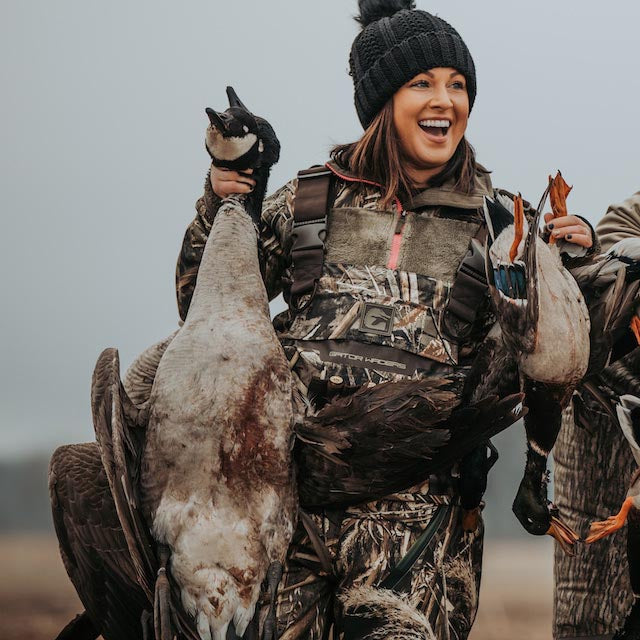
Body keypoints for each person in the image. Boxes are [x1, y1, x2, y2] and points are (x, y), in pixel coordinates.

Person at [175, 1, 595, 637]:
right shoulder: (308, 200)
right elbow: (200, 311)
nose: (445, 100)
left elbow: (560, 359)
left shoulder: (503, 225)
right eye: (422, 82)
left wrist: (576, 260)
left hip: (419, 525)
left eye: (458, 85)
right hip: (284, 509)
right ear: (381, 101)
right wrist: (224, 200)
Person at [554, 191, 640, 640]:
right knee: (590, 620)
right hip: (604, 440)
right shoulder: (631, 218)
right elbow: (616, 241)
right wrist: (595, 255)